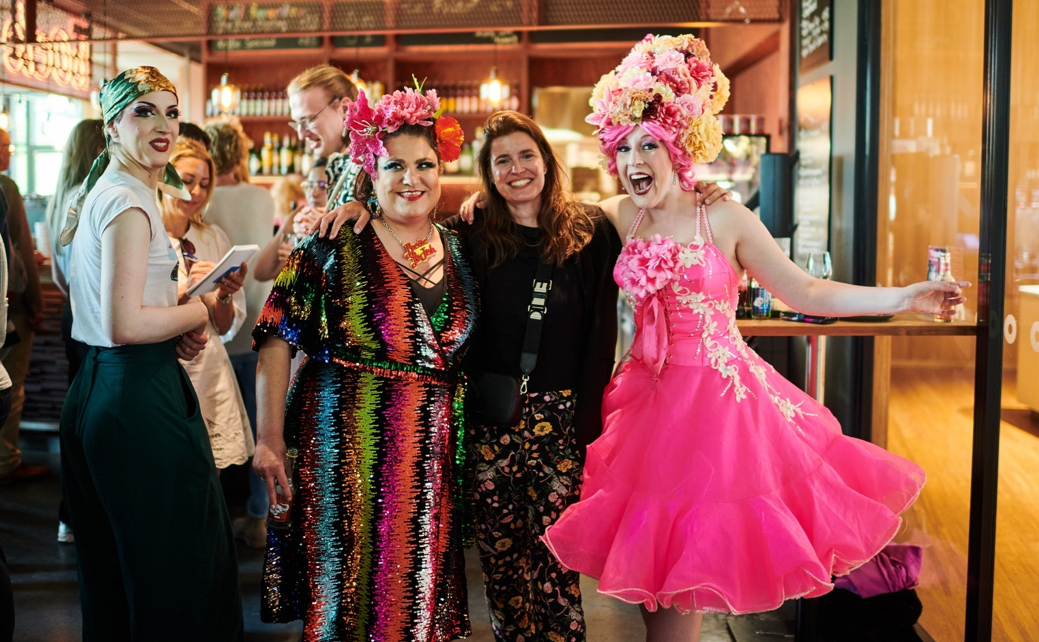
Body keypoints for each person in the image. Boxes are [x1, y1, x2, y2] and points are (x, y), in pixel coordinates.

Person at [536, 35, 966, 642]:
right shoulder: (616, 215)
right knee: (653, 580)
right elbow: (539, 218)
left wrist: (900, 298)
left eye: (649, 144)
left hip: (725, 414)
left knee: (688, 579)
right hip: (646, 410)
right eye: (623, 147)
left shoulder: (725, 217)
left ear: (677, 147)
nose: (634, 160)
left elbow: (806, 291)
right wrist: (475, 206)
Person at [305, 109, 730, 642]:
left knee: (557, 565)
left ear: (547, 162)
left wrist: (699, 192)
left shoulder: (592, 231)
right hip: (490, 422)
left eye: (526, 155)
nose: (516, 168)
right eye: (501, 161)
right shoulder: (471, 233)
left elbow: (611, 313)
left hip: (563, 422)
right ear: (488, 175)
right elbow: (407, 217)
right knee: (502, 569)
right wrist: (361, 206)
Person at [252, 86, 476, 641]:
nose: (411, 179)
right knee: (347, 601)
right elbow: (275, 336)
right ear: (370, 172)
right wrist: (269, 439)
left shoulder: (461, 247)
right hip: (343, 450)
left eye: (424, 165)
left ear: (442, 169)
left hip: (429, 456)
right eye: (394, 165)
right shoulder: (334, 241)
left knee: (414, 602)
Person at [59, 66, 243, 641]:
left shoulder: (122, 192)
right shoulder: (128, 203)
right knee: (172, 570)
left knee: (120, 572)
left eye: (171, 112)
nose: (163, 124)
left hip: (109, 387)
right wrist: (200, 310)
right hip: (135, 397)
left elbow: (127, 312)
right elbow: (124, 324)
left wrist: (177, 317)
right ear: (113, 125)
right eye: (144, 111)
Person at [203, 120, 277, 547]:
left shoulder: (204, 199)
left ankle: (211, 518)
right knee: (261, 429)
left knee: (214, 423)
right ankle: (259, 516)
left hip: (219, 325)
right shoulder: (263, 196)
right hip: (259, 325)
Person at [160, 138, 253, 472]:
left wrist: (224, 294)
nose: (196, 192)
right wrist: (190, 290)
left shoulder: (212, 237)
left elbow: (224, 326)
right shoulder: (147, 235)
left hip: (211, 366)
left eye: (203, 184)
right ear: (163, 177)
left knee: (211, 474)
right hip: (166, 366)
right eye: (187, 181)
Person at [44, 118, 106, 543]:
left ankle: (71, 513)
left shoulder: (59, 199)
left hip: (73, 311)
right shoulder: (94, 196)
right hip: (96, 314)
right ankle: (90, 512)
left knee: (77, 410)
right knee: (95, 414)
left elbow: (57, 274)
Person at [0, 128, 46, 485]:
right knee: (10, 385)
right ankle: (7, 460)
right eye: (5, 146)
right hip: (9, 306)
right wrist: (35, 302)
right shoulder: (6, 187)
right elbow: (19, 247)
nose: (10, 152)